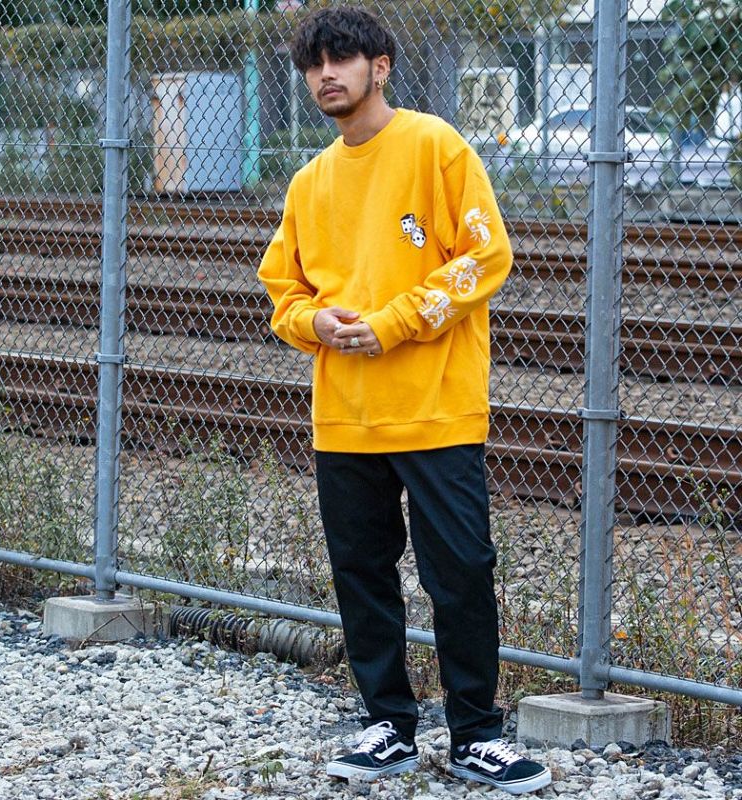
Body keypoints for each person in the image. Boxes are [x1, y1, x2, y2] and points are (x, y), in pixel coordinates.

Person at [257, 6, 551, 795]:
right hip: (345, 417)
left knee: (461, 571)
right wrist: (313, 322)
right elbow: (283, 291)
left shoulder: (435, 146)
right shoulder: (310, 182)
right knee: (362, 574)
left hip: (435, 407)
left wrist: (392, 322)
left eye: (342, 59)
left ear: (380, 67)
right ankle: (387, 722)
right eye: (315, 64)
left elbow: (486, 255)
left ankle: (477, 735)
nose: (327, 75)